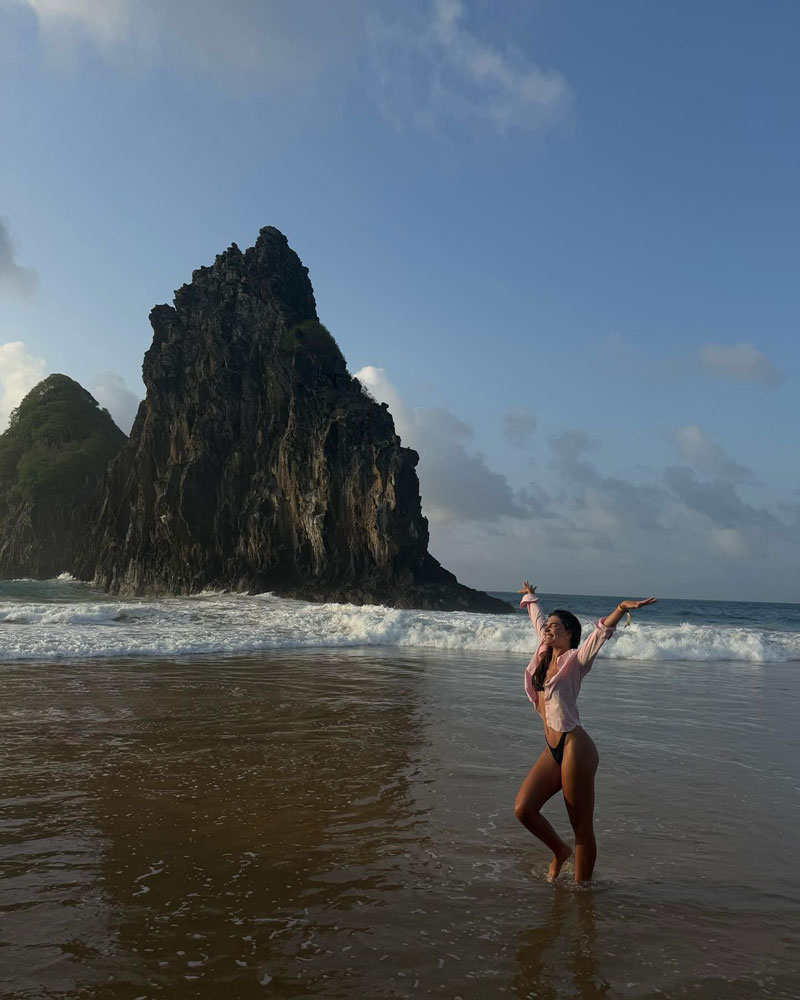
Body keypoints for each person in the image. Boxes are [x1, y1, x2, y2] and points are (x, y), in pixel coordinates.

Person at [514, 581, 656, 883]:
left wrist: (620, 609)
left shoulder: (576, 660)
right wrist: (529, 595)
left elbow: (600, 634)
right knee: (523, 809)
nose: (548, 629)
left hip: (575, 747)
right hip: (552, 749)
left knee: (580, 826)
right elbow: (537, 618)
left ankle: (582, 892)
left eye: (556, 626)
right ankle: (560, 851)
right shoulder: (542, 652)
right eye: (548, 626)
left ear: (569, 635)